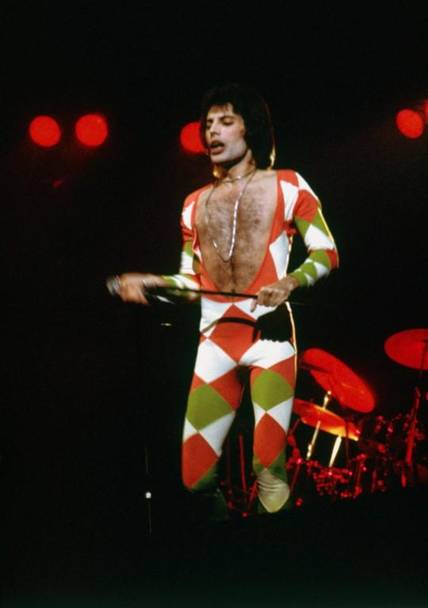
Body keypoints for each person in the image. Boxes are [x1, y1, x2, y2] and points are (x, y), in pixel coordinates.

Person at [115, 83, 339, 520]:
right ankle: (228, 552)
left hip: (270, 341)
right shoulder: (192, 204)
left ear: (249, 128)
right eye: (208, 124)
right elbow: (190, 282)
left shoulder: (289, 184)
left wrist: (290, 282)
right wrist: (152, 282)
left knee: (268, 467)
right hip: (215, 343)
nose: (212, 132)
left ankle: (277, 556)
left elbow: (327, 251)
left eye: (225, 121)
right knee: (195, 479)